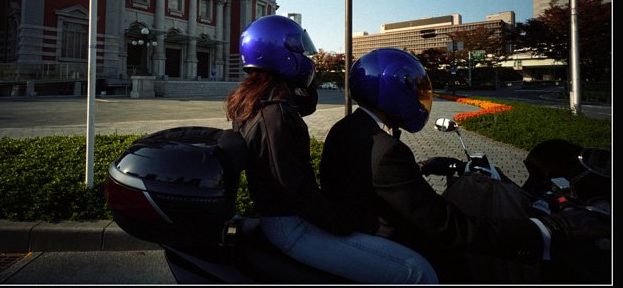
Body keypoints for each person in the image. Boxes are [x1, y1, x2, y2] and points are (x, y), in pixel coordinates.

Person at [319, 47, 610, 283]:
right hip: (399, 242)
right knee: (462, 261)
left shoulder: (346, 128)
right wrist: (546, 229)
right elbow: (451, 228)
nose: (421, 97)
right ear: (395, 86)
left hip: (366, 230)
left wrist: (422, 167)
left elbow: (364, 178)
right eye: (417, 89)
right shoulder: (389, 152)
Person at [225, 16, 438, 284]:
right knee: (417, 272)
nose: (308, 58)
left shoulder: (263, 103)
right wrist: (366, 222)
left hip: (286, 219)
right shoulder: (275, 115)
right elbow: (298, 195)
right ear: (281, 53)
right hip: (291, 226)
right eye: (300, 49)